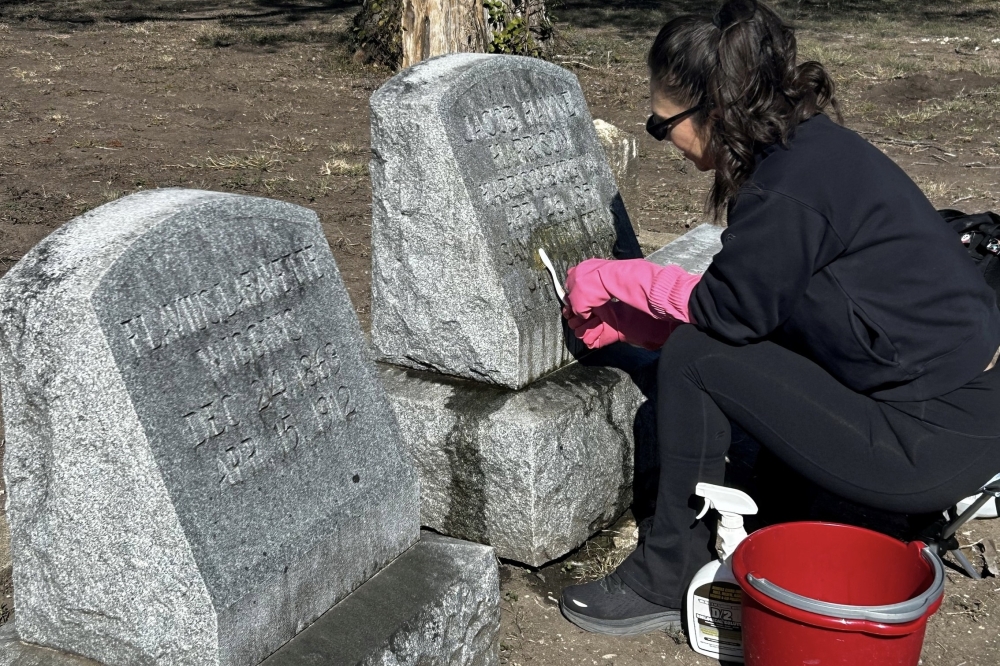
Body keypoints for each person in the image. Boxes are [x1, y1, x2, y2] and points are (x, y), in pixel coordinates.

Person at [558, 0, 1000, 636]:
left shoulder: (785, 190)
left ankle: (665, 573)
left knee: (693, 360)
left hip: (924, 445)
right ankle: (781, 507)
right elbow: (764, 308)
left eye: (662, 127)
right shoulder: (813, 149)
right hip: (956, 406)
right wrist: (634, 324)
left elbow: (725, 317)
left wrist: (616, 280)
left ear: (714, 112)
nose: (666, 143)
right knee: (704, 343)